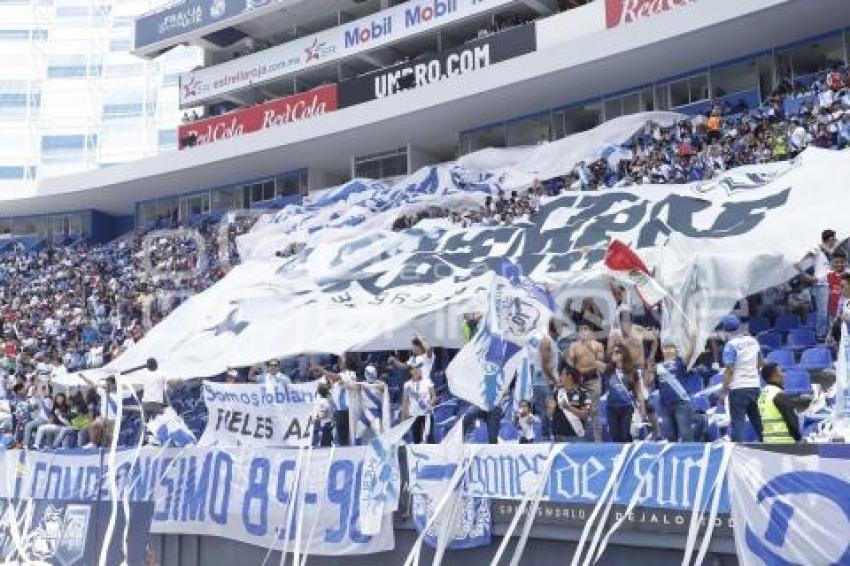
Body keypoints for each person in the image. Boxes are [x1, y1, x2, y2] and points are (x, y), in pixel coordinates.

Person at [718, 315, 764, 442]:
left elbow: (729, 371)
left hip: (738, 389)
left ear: (724, 330)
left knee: (737, 424)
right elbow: (761, 363)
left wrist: (723, 392)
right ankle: (769, 449)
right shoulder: (753, 341)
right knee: (758, 422)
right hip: (754, 386)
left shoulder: (730, 346)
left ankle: (737, 452)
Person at [796, 229, 838, 341]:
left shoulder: (831, 251)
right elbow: (799, 262)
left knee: (833, 311)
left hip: (832, 283)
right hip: (821, 285)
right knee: (823, 312)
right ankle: (820, 334)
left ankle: (832, 333)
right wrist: (805, 275)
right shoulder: (817, 249)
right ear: (830, 239)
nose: (835, 241)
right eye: (834, 239)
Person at [567, 322, 604, 441]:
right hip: (578, 381)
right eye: (581, 329)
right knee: (577, 408)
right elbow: (570, 361)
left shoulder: (598, 345)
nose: (583, 331)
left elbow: (600, 363)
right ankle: (579, 438)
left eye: (586, 329)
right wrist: (574, 366)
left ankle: (598, 440)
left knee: (594, 409)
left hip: (593, 380)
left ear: (591, 332)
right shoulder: (574, 345)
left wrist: (584, 370)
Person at [312, 355, 358, 446]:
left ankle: (346, 456)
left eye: (342, 360)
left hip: (345, 410)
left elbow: (336, 377)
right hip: (340, 410)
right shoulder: (344, 374)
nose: (340, 362)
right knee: (342, 438)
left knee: (344, 438)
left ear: (347, 363)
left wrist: (321, 369)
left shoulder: (350, 373)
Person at [525, 320, 559, 441]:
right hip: (543, 382)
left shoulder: (551, 341)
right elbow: (545, 366)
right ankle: (544, 438)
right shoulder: (546, 341)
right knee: (547, 412)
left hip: (545, 381)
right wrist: (555, 380)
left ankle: (546, 437)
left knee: (548, 412)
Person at [603, 345, 643, 443]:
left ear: (623, 354)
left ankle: (627, 456)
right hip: (611, 407)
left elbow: (638, 391)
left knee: (626, 435)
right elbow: (595, 361)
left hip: (627, 406)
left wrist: (642, 406)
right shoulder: (608, 370)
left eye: (617, 352)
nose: (614, 354)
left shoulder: (631, 371)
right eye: (613, 352)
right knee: (614, 436)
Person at [655, 343, 694, 442]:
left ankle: (689, 456)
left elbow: (690, 353)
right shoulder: (658, 366)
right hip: (665, 405)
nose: (668, 350)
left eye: (671, 348)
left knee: (686, 434)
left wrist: (693, 340)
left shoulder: (680, 363)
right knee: (670, 436)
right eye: (665, 348)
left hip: (681, 403)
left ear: (676, 351)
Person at [757, 363, 801, 444]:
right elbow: (792, 422)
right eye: (781, 372)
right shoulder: (778, 394)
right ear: (774, 376)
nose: (783, 375)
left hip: (768, 442)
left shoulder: (762, 395)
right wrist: (798, 439)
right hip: (784, 443)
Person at [549, 365, 591, 442]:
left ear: (570, 377)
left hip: (575, 436)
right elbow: (550, 414)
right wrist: (550, 408)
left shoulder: (583, 393)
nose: (560, 377)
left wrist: (568, 408)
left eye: (562, 375)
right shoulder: (557, 392)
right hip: (558, 436)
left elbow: (585, 415)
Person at [401, 361, 435, 444]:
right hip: (414, 415)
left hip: (426, 414)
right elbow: (405, 401)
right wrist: (404, 417)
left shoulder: (427, 381)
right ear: (411, 371)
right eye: (416, 369)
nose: (418, 371)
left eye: (419, 368)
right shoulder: (407, 385)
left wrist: (429, 404)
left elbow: (433, 396)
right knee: (416, 439)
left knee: (427, 439)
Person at [140, 358, 174, 422]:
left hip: (145, 403)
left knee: (146, 423)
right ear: (156, 365)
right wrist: (169, 404)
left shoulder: (144, 375)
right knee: (160, 423)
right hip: (155, 403)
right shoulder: (162, 375)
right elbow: (167, 390)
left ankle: (145, 431)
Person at [827, 251, 848, 325]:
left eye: (842, 262)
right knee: (834, 332)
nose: (839, 264)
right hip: (832, 310)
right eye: (836, 262)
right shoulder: (828, 276)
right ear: (833, 263)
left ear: (845, 262)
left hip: (846, 311)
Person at [313, 383, 335, 448]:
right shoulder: (328, 400)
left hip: (325, 426)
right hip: (327, 425)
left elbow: (323, 414)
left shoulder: (322, 402)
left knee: (324, 446)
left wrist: (315, 418)